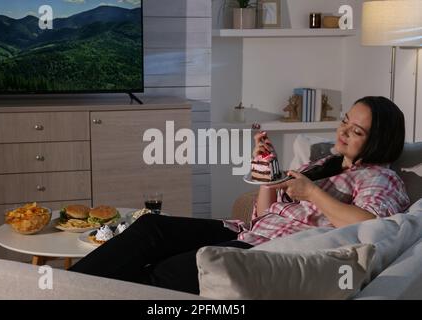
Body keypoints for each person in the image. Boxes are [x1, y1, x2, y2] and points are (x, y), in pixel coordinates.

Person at [69, 96, 410, 294]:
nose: (343, 131)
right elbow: (262, 215)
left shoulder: (381, 179)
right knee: (150, 228)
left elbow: (372, 227)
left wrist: (311, 193)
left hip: (267, 250)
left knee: (164, 272)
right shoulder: (326, 162)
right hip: (245, 230)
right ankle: (65, 286)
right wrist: (267, 169)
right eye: (345, 121)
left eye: (356, 131)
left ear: (379, 140)